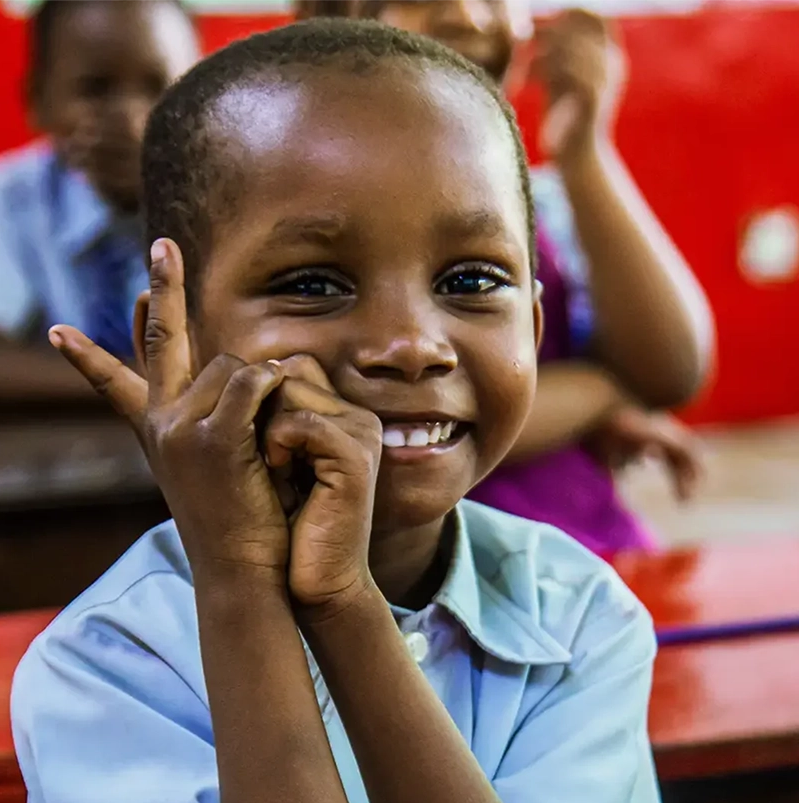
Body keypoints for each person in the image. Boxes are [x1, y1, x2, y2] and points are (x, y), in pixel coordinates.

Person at [10, 20, 690, 803]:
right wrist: (245, 586)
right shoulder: (110, 664)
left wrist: (345, 607)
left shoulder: (576, 617)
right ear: (177, 342)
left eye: (471, 280)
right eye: (314, 283)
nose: (412, 343)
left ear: (535, 326)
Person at [297, 0, 713, 554]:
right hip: (437, 579)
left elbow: (673, 368)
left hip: (586, 561)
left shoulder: (536, 203)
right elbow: (396, 414)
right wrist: (605, 390)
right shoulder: (314, 212)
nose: (468, 17)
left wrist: (583, 148)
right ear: (328, 26)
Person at [0, 0, 199, 405]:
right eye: (96, 89)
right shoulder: (11, 196)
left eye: (157, 86)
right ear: (37, 101)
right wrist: (146, 389)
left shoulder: (225, 194)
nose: (129, 117)